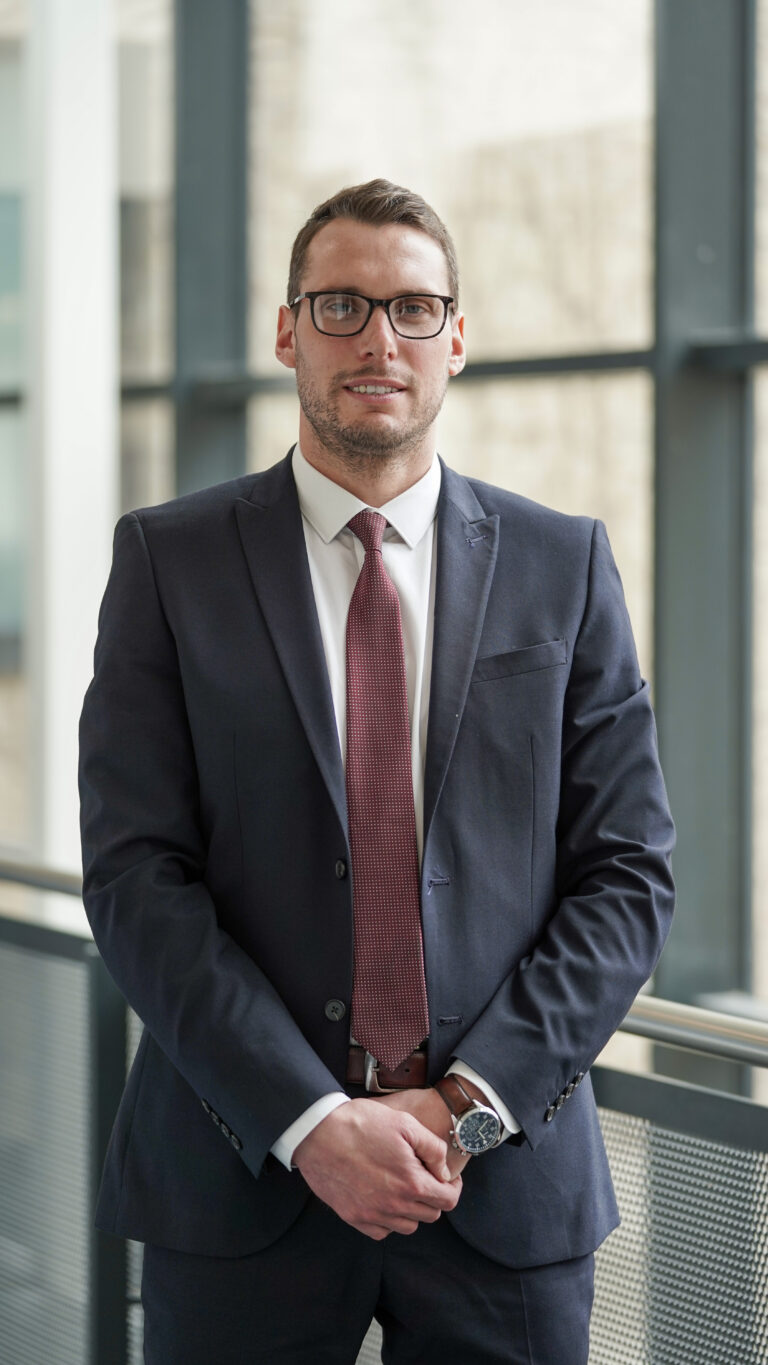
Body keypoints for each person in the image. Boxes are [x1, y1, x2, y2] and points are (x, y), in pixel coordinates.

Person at [79, 178, 675, 1364]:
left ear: (456, 338)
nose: (378, 340)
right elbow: (137, 876)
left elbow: (627, 875)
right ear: (287, 331)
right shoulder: (169, 561)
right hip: (241, 1176)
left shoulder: (563, 564)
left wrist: (468, 1108)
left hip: (500, 1191)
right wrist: (307, 1120)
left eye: (413, 308)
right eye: (341, 306)